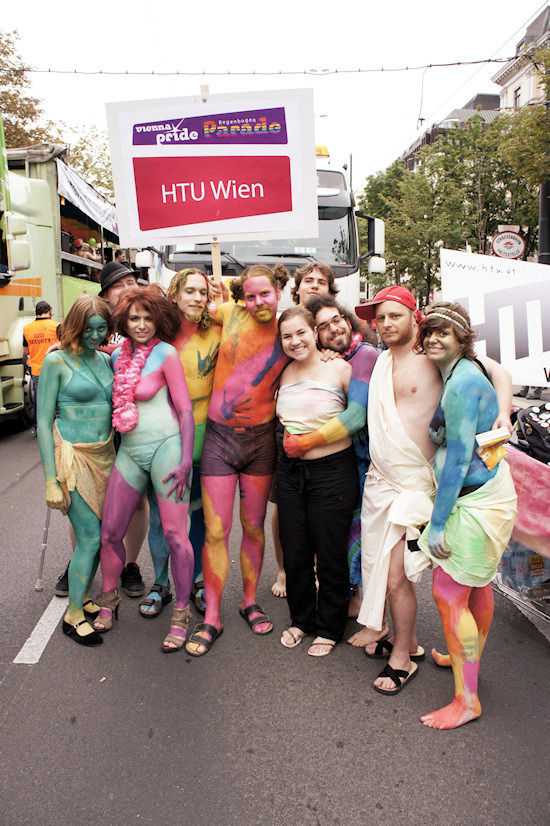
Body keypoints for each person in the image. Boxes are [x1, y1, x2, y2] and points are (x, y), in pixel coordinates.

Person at [353, 286, 513, 694]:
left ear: (414, 316)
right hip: (381, 482)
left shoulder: (437, 358)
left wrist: (505, 415)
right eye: (380, 318)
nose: (386, 324)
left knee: (397, 577)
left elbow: (500, 373)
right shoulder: (381, 359)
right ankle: (406, 640)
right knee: (386, 572)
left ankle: (402, 658)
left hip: (417, 484)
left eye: (394, 316)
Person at [415, 302, 517, 728]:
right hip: (490, 495)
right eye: (430, 332)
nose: (435, 338)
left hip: (475, 502)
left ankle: (467, 699)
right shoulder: (469, 369)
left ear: (462, 339)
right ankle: (464, 658)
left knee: (448, 592)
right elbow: (502, 372)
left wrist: (437, 522)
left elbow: (457, 460)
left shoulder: (461, 383)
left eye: (445, 332)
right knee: (477, 584)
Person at [185, 263, 290, 656]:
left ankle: (249, 601)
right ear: (240, 296)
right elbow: (178, 320)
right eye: (251, 295)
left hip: (261, 443)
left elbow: (332, 349)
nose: (258, 301)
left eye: (265, 293)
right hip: (218, 440)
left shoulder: (289, 330)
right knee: (216, 530)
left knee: (254, 527)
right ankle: (211, 614)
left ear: (278, 290)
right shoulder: (227, 315)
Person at [93, 285, 195, 652]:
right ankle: (109, 601)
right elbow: (92, 351)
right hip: (131, 451)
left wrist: (186, 460)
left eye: (147, 318)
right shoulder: (119, 354)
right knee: (109, 533)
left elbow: (185, 410)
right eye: (133, 318)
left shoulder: (166, 354)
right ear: (123, 320)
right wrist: (62, 347)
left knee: (174, 534)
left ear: (159, 320)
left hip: (167, 449)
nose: (140, 325)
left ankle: (182, 613)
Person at [54, 261, 147, 598]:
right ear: (106, 294)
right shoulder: (94, 319)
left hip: (135, 424)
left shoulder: (144, 315)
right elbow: (71, 347)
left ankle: (129, 565)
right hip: (92, 427)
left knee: (135, 500)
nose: (129, 288)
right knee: (82, 497)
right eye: (120, 284)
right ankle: (83, 557)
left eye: (133, 281)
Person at [277, 306, 359, 656]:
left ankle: (329, 626)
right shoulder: (282, 373)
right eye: (286, 336)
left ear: (314, 331)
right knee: (295, 550)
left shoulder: (339, 368)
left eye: (300, 333)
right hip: (290, 472)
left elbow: (361, 415)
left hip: (332, 472)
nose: (295, 341)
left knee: (329, 553)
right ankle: (301, 620)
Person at [139, 268, 221, 618]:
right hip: (163, 442)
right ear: (174, 294)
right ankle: (161, 584)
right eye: (190, 291)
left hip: (206, 438)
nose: (197, 298)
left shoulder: (217, 330)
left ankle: (199, 581)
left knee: (199, 516)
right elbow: (121, 348)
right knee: (160, 518)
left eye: (202, 292)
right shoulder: (158, 336)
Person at [37, 295, 115, 646]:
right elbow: (41, 423)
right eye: (89, 329)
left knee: (101, 537)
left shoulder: (105, 359)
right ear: (75, 325)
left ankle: (81, 595)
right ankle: (72, 616)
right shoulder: (56, 361)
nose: (95, 335)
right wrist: (51, 480)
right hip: (71, 456)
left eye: (102, 329)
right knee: (91, 537)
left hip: (106, 457)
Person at [298, 295, 378, 619]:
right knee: (344, 530)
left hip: (368, 460)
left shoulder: (366, 354)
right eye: (323, 326)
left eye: (336, 320)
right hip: (345, 458)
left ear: (347, 319)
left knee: (361, 530)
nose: (333, 328)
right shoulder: (330, 359)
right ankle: (351, 591)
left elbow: (357, 416)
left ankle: (361, 599)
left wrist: (306, 442)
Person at [270, 262, 338, 599]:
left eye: (321, 281)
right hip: (285, 432)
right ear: (296, 288)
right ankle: (284, 569)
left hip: (327, 442)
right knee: (285, 510)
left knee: (321, 516)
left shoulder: (333, 330)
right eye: (308, 280)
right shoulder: (280, 325)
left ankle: (314, 571)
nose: (314, 286)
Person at [23, 301, 60, 430]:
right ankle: (57, 427)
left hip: (37, 370)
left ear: (36, 313)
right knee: (58, 399)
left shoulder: (27, 328)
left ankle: (40, 427)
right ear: (49, 311)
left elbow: (26, 351)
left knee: (40, 401)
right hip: (55, 368)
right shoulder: (56, 326)